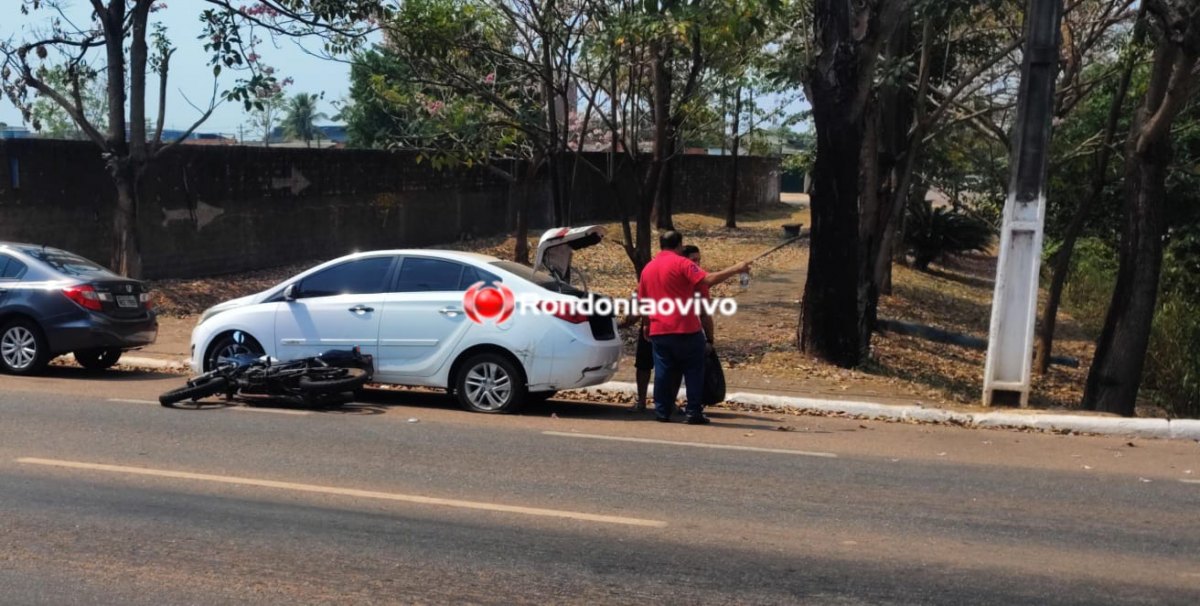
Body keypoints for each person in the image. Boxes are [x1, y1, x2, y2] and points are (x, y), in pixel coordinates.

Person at [638, 231, 750, 424]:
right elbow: (707, 280)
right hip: (686, 329)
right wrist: (736, 268)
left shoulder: (648, 269)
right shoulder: (683, 263)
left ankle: (662, 411)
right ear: (679, 245)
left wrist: (647, 325)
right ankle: (693, 412)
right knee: (693, 371)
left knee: (663, 372)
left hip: (660, 330)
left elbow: (644, 302)